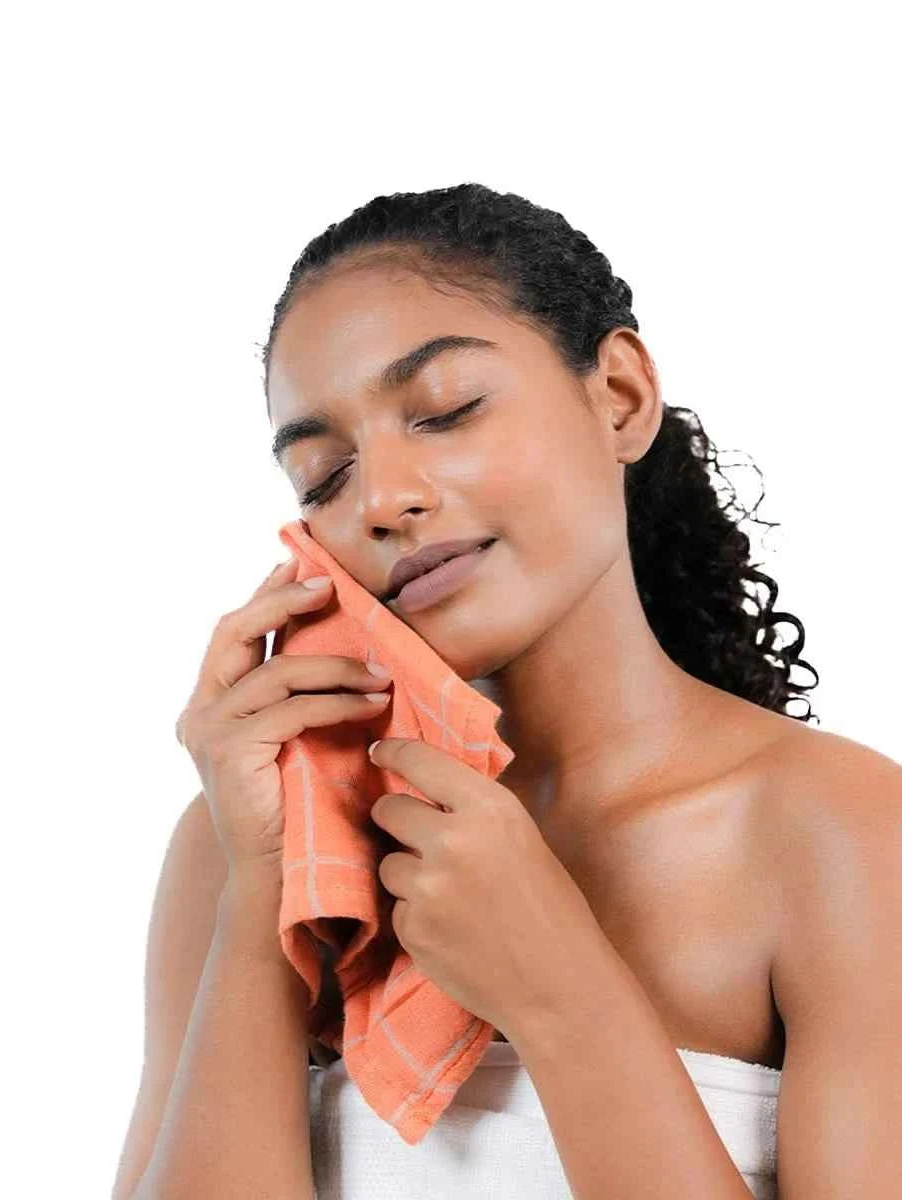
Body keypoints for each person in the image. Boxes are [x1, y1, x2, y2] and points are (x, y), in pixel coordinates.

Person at [111, 184, 902, 1200]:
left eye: (446, 411)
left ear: (617, 395)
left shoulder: (841, 832)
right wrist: (267, 889)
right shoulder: (233, 844)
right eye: (323, 475)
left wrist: (563, 994)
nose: (385, 497)